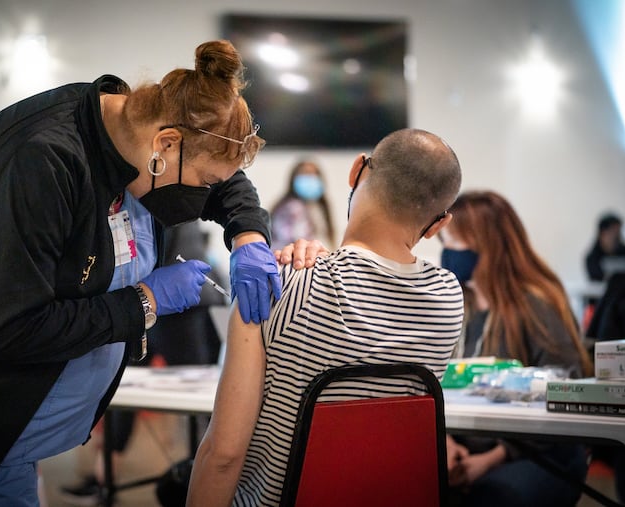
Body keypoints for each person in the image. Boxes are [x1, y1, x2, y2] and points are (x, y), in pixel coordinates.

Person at [0, 40, 325, 506]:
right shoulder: (41, 160)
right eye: (205, 183)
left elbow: (224, 176)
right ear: (165, 145)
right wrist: (144, 301)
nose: (207, 196)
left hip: (14, 412)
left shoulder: (137, 134)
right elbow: (14, 326)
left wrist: (249, 235)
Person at [187, 128, 465, 506]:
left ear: (356, 172)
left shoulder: (278, 285)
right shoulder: (448, 297)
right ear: (438, 225)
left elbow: (223, 456)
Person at [439, 190, 594, 507]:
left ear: (489, 244)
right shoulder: (454, 305)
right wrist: (445, 443)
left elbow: (565, 389)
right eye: (444, 243)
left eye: (454, 242)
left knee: (494, 496)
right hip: (463, 447)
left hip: (539, 452)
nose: (447, 253)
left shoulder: (535, 304)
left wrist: (493, 458)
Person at [59, 220, 227, 505]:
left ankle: (214, 482)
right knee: (120, 385)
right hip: (154, 299)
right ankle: (103, 482)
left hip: (183, 305)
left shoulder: (175, 203)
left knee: (208, 407)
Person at [270, 159, 336, 250]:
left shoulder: (318, 207)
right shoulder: (291, 208)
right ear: (294, 179)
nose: (310, 179)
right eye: (305, 174)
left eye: (313, 175)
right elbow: (289, 242)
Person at [585, 213, 625, 282]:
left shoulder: (624, 252)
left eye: (618, 232)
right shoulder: (592, 258)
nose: (616, 237)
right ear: (602, 234)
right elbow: (596, 281)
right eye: (612, 232)